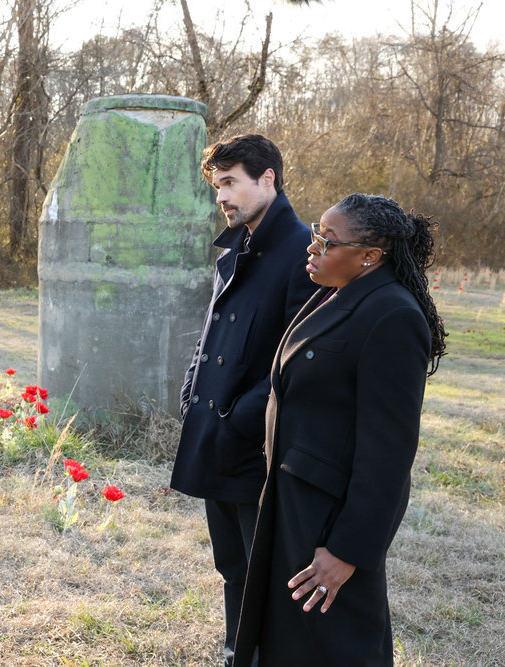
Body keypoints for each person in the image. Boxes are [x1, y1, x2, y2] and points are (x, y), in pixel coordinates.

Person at [232, 194, 446, 667]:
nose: (312, 248)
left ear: (371, 254)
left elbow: (388, 454)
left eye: (326, 241)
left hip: (329, 520)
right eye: (314, 233)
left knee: (338, 646)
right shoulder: (336, 293)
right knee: (290, 643)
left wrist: (347, 550)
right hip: (293, 502)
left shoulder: (392, 316)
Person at [169, 134, 317, 666]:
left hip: (259, 446)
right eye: (216, 187)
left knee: (264, 572)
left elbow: (296, 359)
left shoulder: (305, 254)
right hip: (214, 434)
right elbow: (210, 336)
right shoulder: (233, 247)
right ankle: (236, 655)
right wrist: (190, 390)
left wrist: (239, 418)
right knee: (231, 565)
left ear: (268, 178)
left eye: (230, 182)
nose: (222, 198)